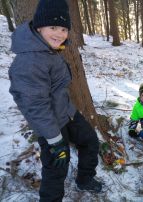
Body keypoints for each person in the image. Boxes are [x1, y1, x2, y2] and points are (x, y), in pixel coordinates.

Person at [8, 0, 102, 201]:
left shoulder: (49, 49)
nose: (59, 34)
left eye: (63, 28)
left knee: (90, 141)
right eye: (53, 27)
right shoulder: (29, 61)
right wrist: (54, 139)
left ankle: (85, 179)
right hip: (50, 125)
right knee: (57, 166)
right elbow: (34, 106)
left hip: (67, 113)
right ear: (39, 26)